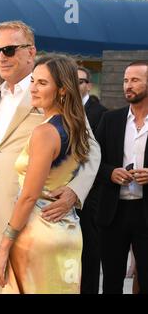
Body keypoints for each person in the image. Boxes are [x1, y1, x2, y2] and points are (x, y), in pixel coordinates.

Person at [0, 21, 101, 294]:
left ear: (30, 51)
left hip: (34, 224)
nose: (2, 56)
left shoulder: (49, 91)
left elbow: (91, 147)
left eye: (10, 49)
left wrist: (75, 190)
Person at [95, 60, 148, 294]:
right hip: (113, 212)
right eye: (126, 80)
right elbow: (92, 161)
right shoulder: (110, 119)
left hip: (146, 213)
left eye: (135, 80)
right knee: (111, 281)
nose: (128, 85)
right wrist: (111, 173)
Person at [76, 65, 107, 294]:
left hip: (90, 194)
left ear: (88, 85)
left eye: (80, 81)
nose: (76, 85)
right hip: (58, 192)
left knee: (89, 251)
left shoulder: (100, 112)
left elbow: (99, 154)